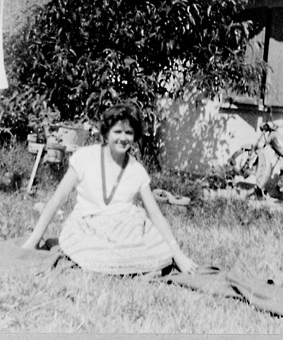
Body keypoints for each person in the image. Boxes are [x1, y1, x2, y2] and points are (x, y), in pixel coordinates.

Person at [22, 102, 198, 275]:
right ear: (106, 134)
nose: (123, 138)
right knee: (93, 256)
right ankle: (126, 266)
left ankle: (130, 264)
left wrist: (179, 255)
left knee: (156, 251)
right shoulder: (85, 157)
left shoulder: (137, 170)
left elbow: (156, 214)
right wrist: (34, 240)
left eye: (129, 133)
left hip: (124, 229)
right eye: (117, 132)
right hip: (87, 226)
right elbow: (57, 199)